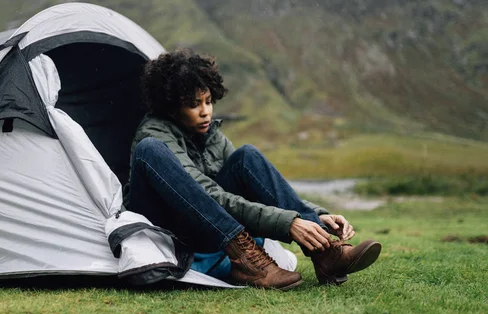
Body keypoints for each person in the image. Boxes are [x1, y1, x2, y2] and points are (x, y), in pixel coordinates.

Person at [123, 49, 381, 290]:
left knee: (247, 156)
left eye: (209, 101)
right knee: (150, 149)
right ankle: (245, 259)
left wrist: (314, 214)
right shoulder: (156, 132)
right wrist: (287, 223)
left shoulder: (211, 135)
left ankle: (326, 253)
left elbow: (251, 187)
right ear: (171, 106)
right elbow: (209, 194)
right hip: (172, 229)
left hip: (208, 226)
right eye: (194, 104)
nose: (205, 112)